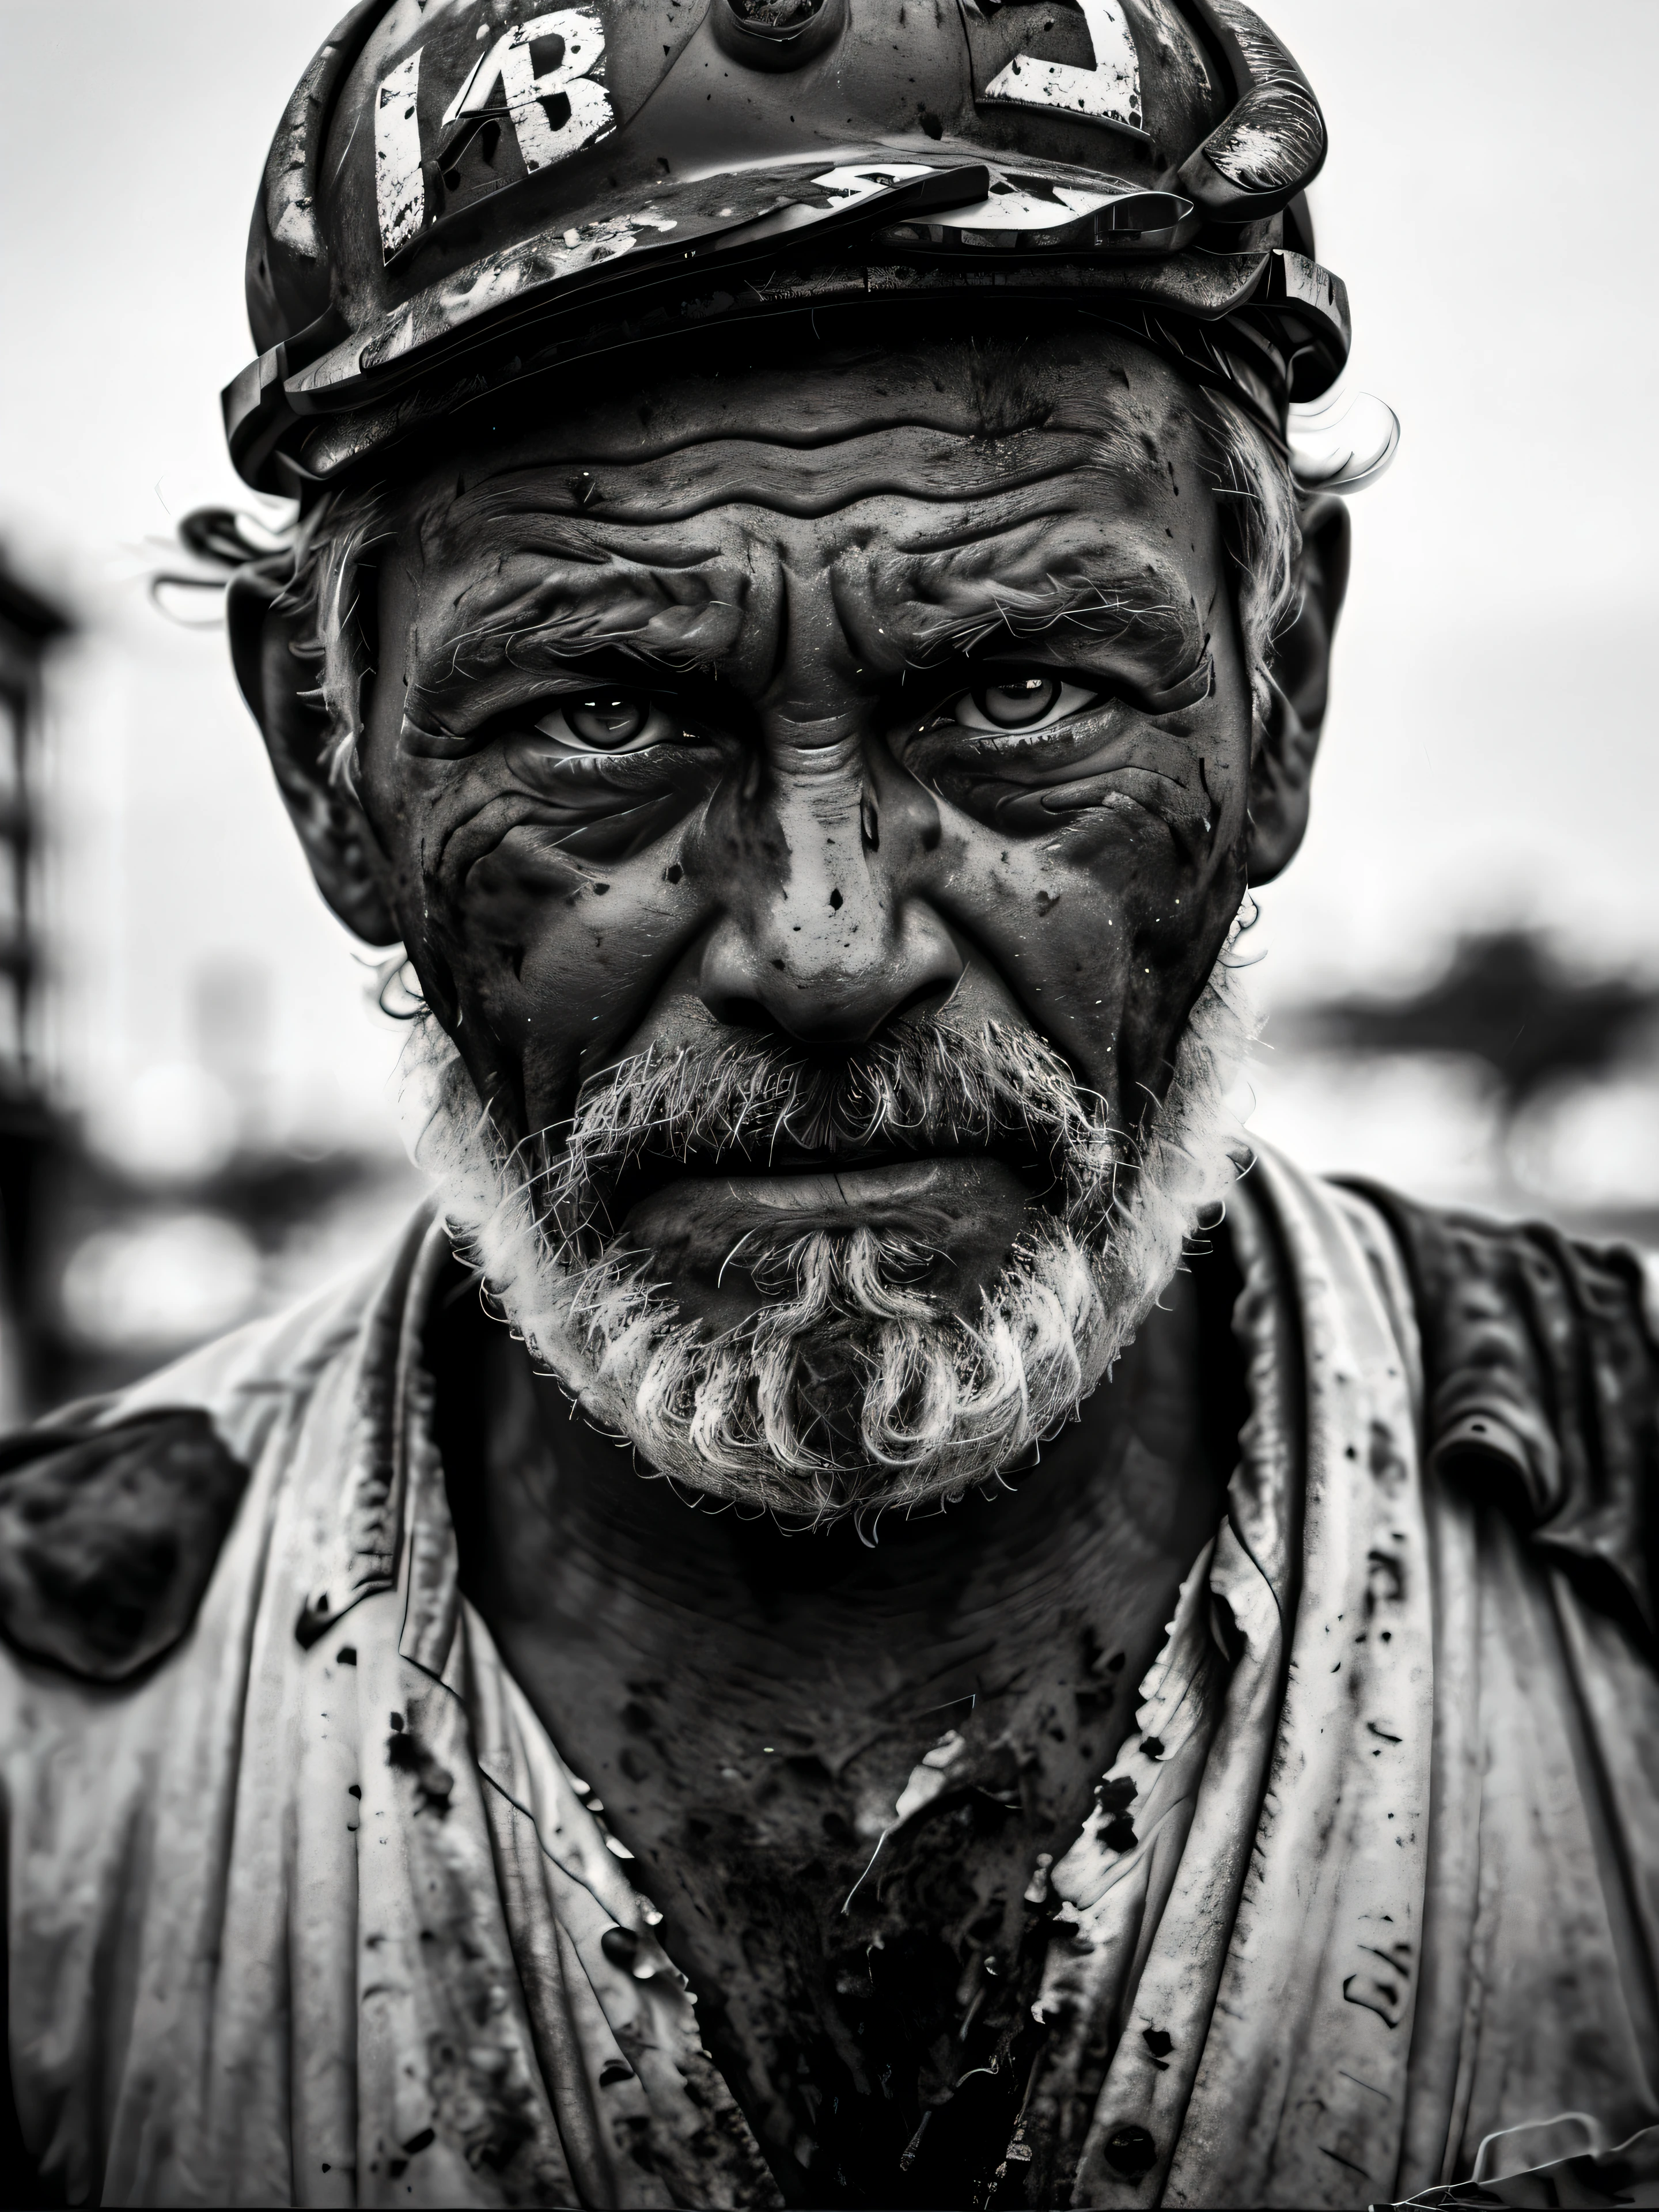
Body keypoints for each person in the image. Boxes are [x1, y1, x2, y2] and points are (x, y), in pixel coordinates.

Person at [2, 3, 1656, 2206]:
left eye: (1015, 688)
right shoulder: (50, 1750)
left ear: (1284, 692)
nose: (826, 942)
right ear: (330, 761)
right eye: (605, 709)